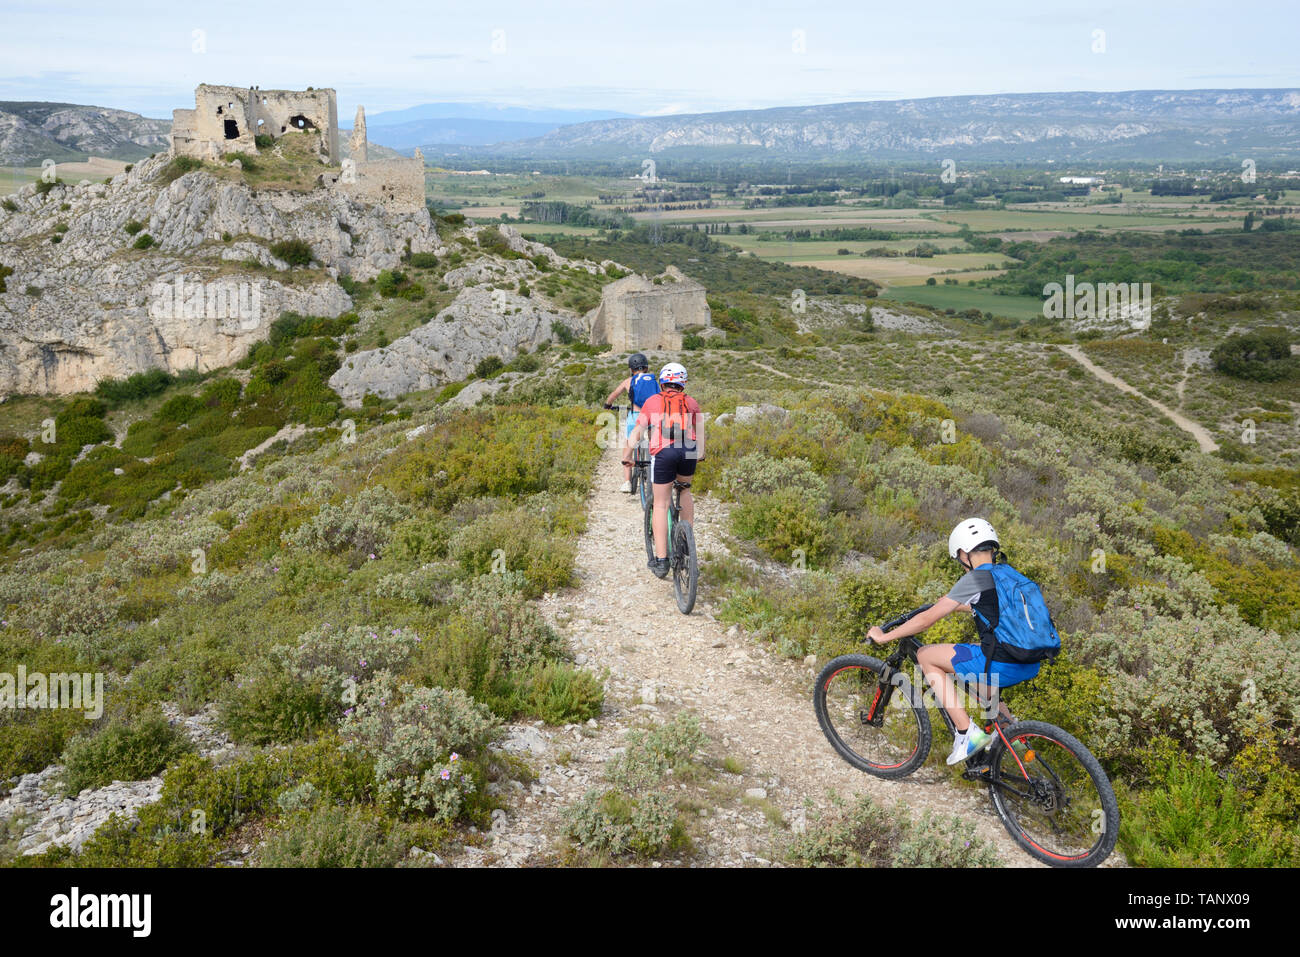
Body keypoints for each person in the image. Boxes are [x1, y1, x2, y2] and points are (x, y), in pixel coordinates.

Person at [866, 518, 1057, 765]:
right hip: (1030, 661)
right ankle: (1011, 737)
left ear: (964, 553)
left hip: (1001, 663)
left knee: (926, 655)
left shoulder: (975, 579)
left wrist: (885, 636)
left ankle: (967, 734)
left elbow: (925, 620)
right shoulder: (1009, 574)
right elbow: (1002, 611)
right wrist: (959, 606)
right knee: (982, 676)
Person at [624, 362, 704, 578]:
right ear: (683, 383)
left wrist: (627, 456)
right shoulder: (692, 402)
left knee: (660, 503)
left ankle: (662, 561)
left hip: (664, 453)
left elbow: (638, 432)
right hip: (688, 450)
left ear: (662, 383)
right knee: (685, 491)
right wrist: (701, 454)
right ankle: (686, 545)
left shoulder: (652, 402)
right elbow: (700, 436)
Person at [603, 353, 659, 493]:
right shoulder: (653, 381)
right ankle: (657, 474)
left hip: (636, 416)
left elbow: (614, 395)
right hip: (653, 416)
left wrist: (607, 405)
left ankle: (627, 482)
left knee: (628, 446)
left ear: (631, 368)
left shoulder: (629, 381)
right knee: (655, 446)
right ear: (646, 367)